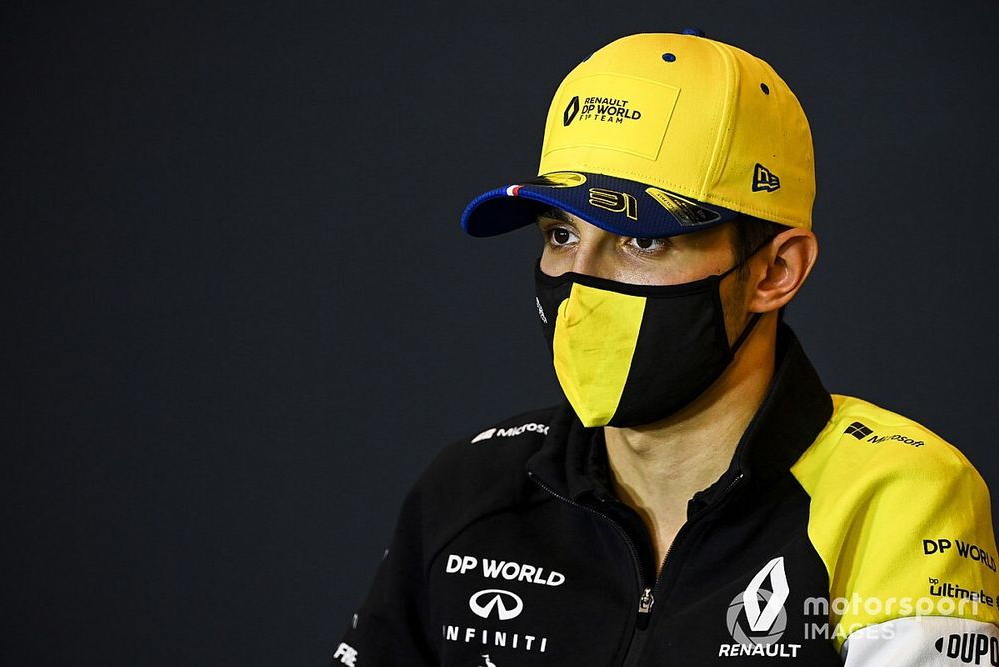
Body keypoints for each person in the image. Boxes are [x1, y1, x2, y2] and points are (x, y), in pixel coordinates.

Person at [333, 30, 999, 665]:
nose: (580, 281)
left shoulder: (896, 499)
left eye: (639, 240)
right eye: (560, 234)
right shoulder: (471, 491)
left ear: (776, 271)